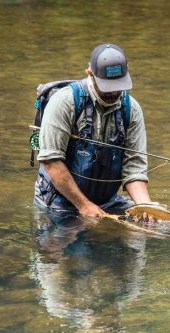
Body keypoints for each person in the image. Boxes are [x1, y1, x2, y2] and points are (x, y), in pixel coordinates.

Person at [34, 43, 153, 219]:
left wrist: (145, 206)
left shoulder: (132, 109)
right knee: (75, 245)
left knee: (146, 231)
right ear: (90, 73)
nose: (114, 92)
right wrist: (84, 205)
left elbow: (134, 167)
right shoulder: (64, 102)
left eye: (118, 85)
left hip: (107, 202)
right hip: (58, 203)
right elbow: (51, 161)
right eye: (107, 85)